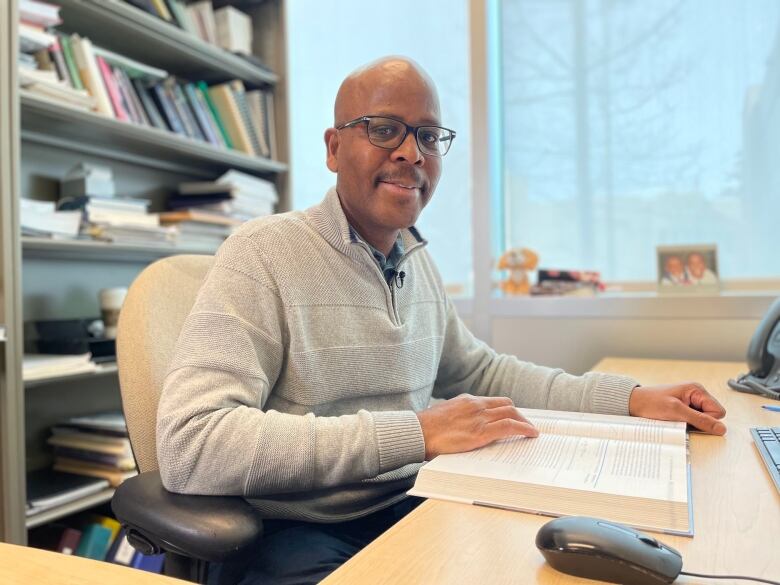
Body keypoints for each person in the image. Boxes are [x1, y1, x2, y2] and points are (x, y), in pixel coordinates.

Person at [156, 57, 727, 585]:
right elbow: (193, 443)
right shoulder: (263, 254)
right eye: (383, 128)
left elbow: (484, 372)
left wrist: (629, 399)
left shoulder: (414, 258)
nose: (411, 152)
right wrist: (418, 433)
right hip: (301, 531)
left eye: (428, 136)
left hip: (421, 500)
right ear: (333, 148)